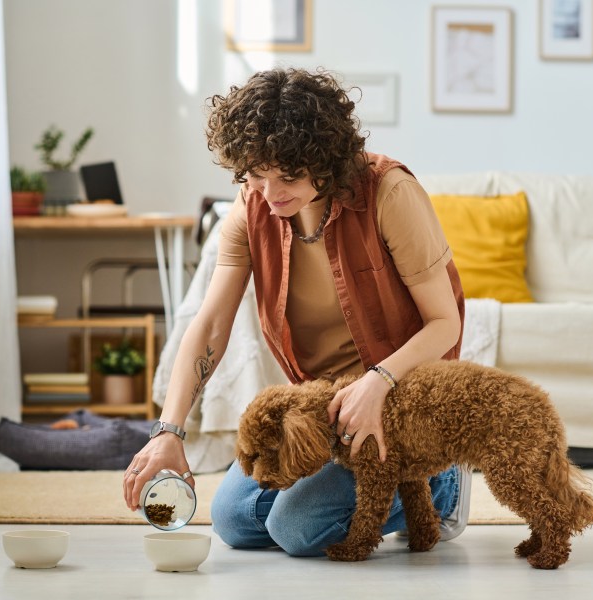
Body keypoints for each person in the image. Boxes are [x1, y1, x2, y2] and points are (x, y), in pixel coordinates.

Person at [123, 67, 470, 557]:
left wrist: (378, 381)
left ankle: (443, 484)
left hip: (404, 404)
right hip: (323, 415)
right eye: (255, 175)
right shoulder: (254, 204)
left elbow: (445, 324)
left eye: (286, 176)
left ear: (325, 159)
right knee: (233, 520)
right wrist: (169, 430)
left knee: (295, 528)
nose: (269, 193)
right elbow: (211, 324)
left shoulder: (389, 193)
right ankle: (342, 494)